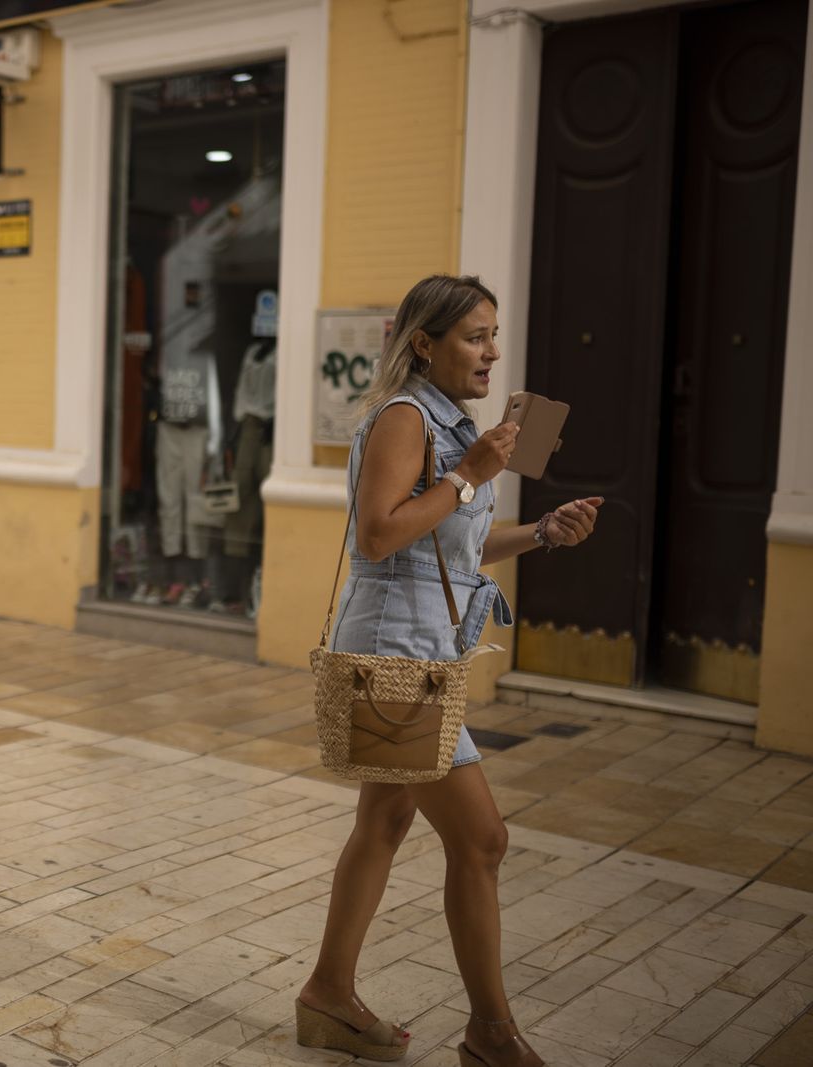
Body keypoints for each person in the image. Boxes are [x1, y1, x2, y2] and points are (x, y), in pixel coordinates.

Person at [296, 274, 603, 1067]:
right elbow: (377, 534)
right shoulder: (407, 417)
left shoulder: (453, 424)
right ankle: (490, 1034)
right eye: (474, 335)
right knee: (483, 839)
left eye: (493, 334)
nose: (492, 351)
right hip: (396, 654)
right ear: (424, 343)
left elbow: (451, 543)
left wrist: (541, 532)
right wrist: (467, 472)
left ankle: (329, 991)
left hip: (423, 652)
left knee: (386, 821)